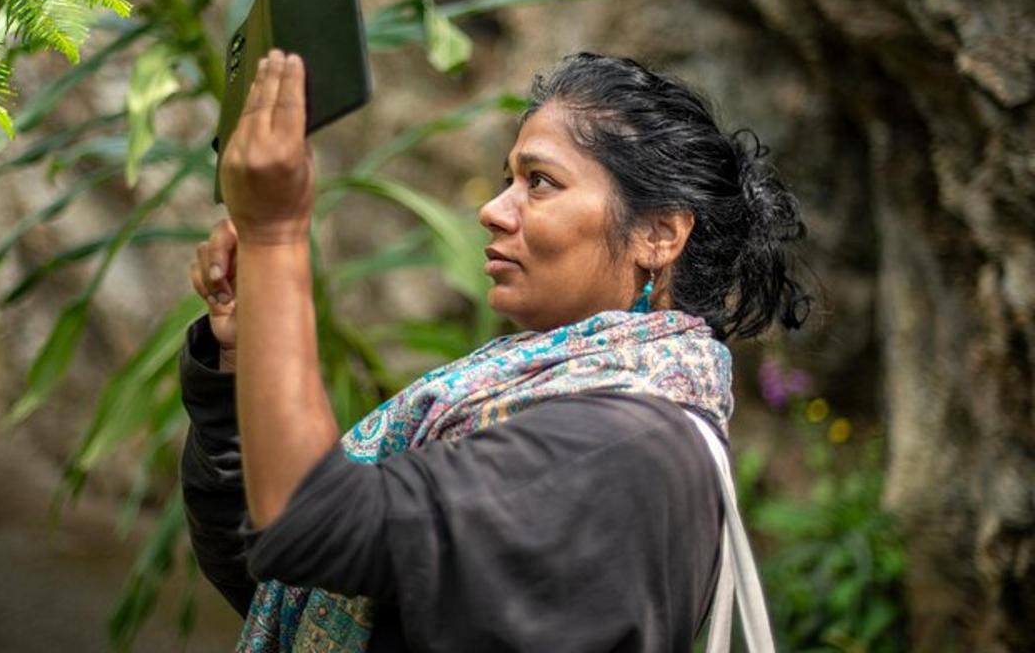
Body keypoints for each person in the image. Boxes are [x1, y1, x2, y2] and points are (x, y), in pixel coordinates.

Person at [179, 49, 811, 652]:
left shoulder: (615, 445)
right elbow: (280, 571)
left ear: (659, 234)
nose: (491, 209)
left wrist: (276, 236)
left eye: (539, 182)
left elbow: (309, 527)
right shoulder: (548, 403)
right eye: (508, 178)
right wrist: (244, 349)